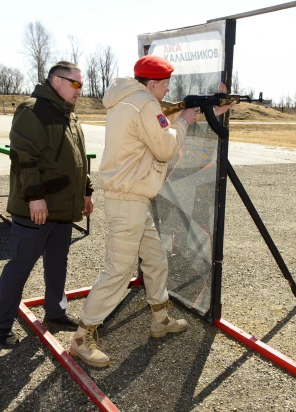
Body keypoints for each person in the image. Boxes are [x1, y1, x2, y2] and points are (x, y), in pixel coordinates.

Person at [69, 55, 233, 367]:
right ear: (153, 84)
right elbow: (165, 147)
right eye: (165, 86)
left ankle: (160, 318)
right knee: (117, 271)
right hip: (129, 199)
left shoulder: (128, 99)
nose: (166, 91)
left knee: (155, 258)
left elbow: (153, 135)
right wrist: (184, 120)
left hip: (132, 198)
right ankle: (81, 337)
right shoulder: (144, 103)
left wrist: (202, 112)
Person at [0, 61, 93, 348]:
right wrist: (35, 196)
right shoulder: (32, 109)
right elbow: (24, 156)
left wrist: (86, 190)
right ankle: (2, 324)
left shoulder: (69, 114)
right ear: (56, 81)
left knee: (57, 263)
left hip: (61, 208)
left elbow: (79, 157)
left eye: (80, 84)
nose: (79, 90)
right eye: (75, 84)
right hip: (36, 208)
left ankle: (56, 312)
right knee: (21, 265)